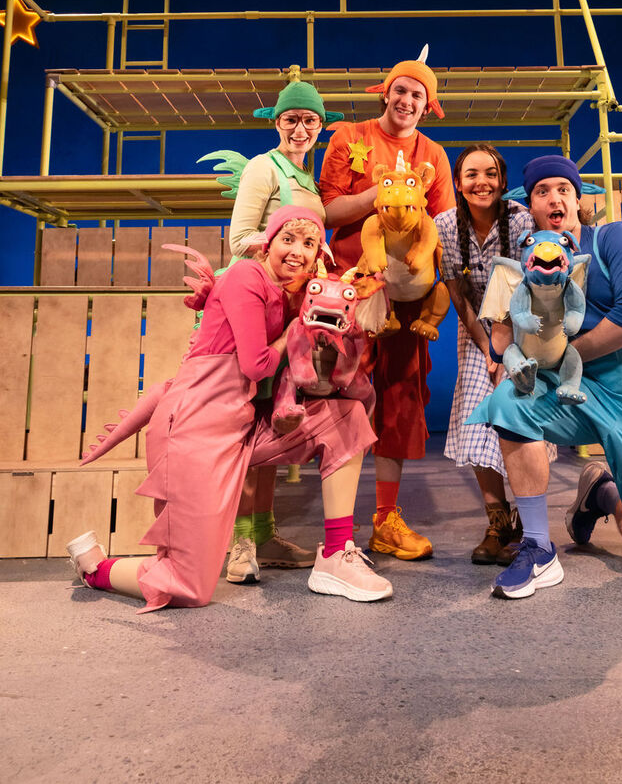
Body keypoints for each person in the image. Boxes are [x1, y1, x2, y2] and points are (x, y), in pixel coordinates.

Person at [67, 207, 391, 611]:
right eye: (288, 239)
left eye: (309, 243)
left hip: (242, 426)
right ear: (266, 243)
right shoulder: (245, 277)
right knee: (189, 586)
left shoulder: (292, 294)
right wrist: (294, 333)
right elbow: (255, 364)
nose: (297, 251)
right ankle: (94, 567)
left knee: (347, 419)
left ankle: (335, 556)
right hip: (195, 427)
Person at [468, 154, 622, 599]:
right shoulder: (529, 265)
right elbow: (504, 343)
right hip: (580, 391)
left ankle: (600, 493)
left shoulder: (616, 239)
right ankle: (539, 547)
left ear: (578, 200)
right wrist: (504, 332)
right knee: (508, 402)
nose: (553, 198)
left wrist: (561, 360)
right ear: (531, 208)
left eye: (563, 188)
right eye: (542, 191)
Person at [319, 50, 455, 559]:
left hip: (406, 294)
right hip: (350, 290)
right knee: (339, 396)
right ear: (385, 92)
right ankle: (338, 527)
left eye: (417, 94)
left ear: (428, 106)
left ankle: (385, 518)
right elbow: (329, 208)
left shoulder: (434, 155)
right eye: (401, 89)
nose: (407, 100)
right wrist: (386, 191)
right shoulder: (349, 137)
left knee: (400, 397)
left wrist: (433, 288)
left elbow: (439, 227)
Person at [225, 80, 343, 585]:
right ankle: (237, 543)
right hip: (255, 307)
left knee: (271, 424)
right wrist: (285, 243)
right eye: (290, 119)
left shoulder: (307, 179)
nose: (300, 128)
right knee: (243, 425)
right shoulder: (263, 167)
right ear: (276, 122)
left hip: (289, 309)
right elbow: (238, 240)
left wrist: (316, 253)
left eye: (309, 121)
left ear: (319, 126)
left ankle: (265, 534)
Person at [434, 143, 557, 564]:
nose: (481, 181)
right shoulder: (446, 224)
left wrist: (507, 347)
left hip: (525, 326)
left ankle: (529, 523)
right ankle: (497, 522)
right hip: (477, 332)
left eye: (490, 173)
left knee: (522, 416)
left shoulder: (522, 221)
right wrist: (487, 346)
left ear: (503, 181)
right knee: (478, 415)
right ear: (458, 183)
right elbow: (457, 293)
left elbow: (534, 286)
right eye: (471, 174)